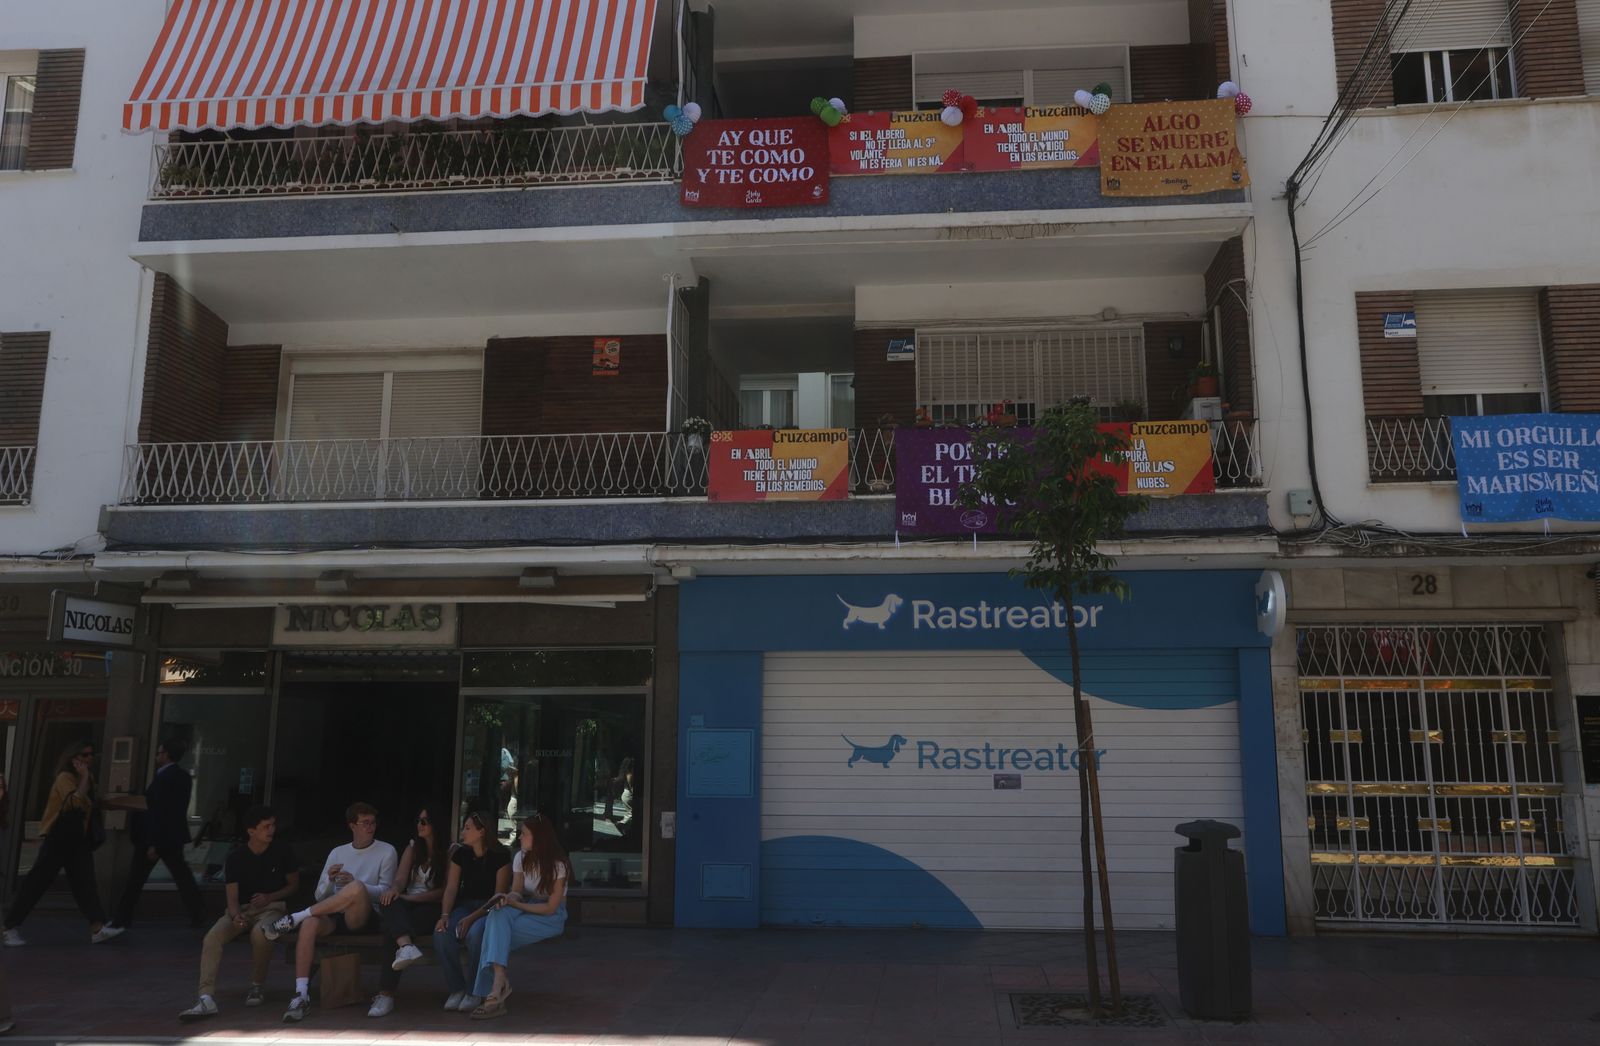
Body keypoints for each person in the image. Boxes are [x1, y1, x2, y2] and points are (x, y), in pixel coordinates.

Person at [263, 801, 396, 1023]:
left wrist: (357, 884)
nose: (370, 827)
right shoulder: (337, 852)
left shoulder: (387, 850)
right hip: (335, 912)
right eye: (364, 823)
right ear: (352, 825)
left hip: (365, 915)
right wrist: (330, 879)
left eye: (373, 822)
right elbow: (319, 895)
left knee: (355, 888)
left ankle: (295, 917)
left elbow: (386, 891)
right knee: (310, 924)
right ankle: (301, 994)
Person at [177, 805, 299, 1021]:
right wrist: (235, 915)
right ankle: (205, 996)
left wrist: (270, 897)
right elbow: (231, 897)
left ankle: (257, 985)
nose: (271, 830)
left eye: (272, 825)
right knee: (212, 938)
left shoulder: (282, 850)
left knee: (261, 934)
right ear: (251, 831)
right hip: (241, 910)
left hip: (273, 908)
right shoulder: (236, 857)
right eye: (265, 827)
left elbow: (293, 885)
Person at [3, 740, 115, 945]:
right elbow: (74, 801)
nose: (90, 758)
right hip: (59, 837)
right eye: (85, 755)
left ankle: (97, 927)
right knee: (37, 882)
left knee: (85, 882)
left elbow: (87, 805)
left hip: (78, 839)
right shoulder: (65, 777)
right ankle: (8, 926)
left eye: (92, 754)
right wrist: (83, 778)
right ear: (74, 759)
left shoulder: (88, 777)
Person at [468, 811, 570, 1021]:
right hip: (526, 905)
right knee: (497, 915)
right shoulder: (521, 857)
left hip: (551, 916)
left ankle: (491, 990)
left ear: (538, 837)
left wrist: (516, 904)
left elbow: (551, 908)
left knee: (493, 933)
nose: (519, 837)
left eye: (523, 833)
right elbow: (517, 890)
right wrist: (507, 898)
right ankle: (498, 983)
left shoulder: (559, 865)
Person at [109, 738, 205, 932]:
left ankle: (122, 919)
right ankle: (198, 915)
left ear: (166, 755)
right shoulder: (183, 777)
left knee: (136, 880)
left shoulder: (164, 778)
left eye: (160, 753)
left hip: (155, 837)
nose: (157, 756)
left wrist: (153, 842)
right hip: (172, 837)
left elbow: (159, 811)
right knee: (183, 877)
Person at [366, 803, 450, 1018]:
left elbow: (444, 892)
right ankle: (406, 947)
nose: (419, 825)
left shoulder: (451, 851)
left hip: (432, 907)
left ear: (436, 824)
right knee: (388, 900)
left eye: (424, 821)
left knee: (390, 930)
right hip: (407, 903)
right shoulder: (413, 847)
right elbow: (401, 878)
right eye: (418, 821)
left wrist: (410, 897)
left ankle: (386, 995)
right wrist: (395, 891)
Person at [431, 811, 510, 1014]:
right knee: (441, 933)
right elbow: (451, 888)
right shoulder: (461, 854)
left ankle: (474, 991)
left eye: (468, 828)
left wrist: (472, 918)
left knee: (476, 935)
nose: (463, 832)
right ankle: (456, 989)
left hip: (488, 909)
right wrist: (445, 916)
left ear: (482, 831)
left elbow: (498, 896)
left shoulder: (500, 855)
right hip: (464, 905)